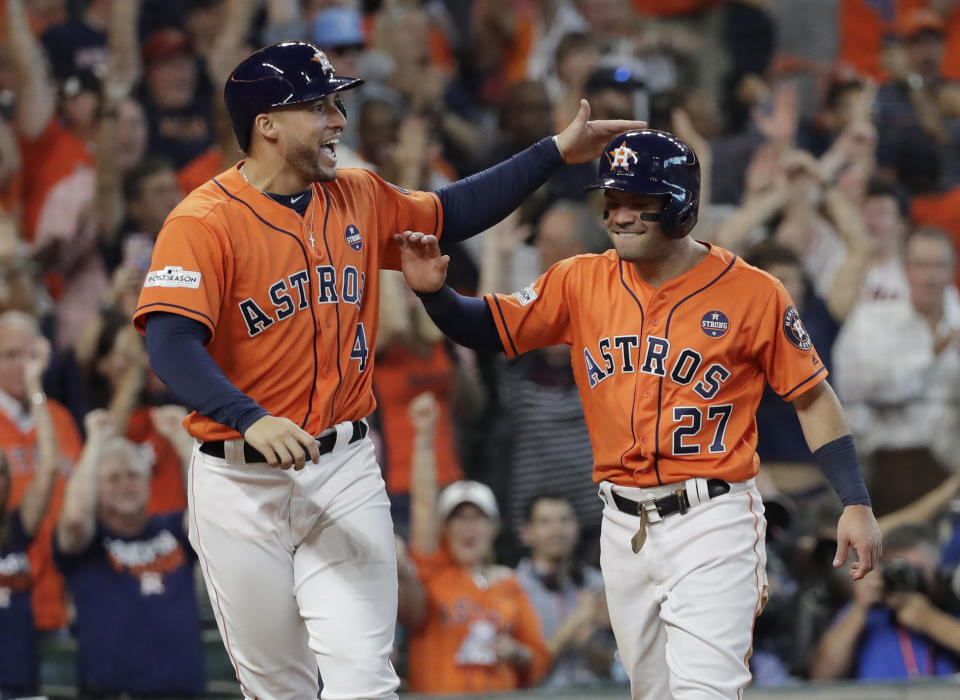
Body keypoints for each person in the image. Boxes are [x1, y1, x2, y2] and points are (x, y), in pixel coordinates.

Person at [132, 40, 644, 700]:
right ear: (267, 125)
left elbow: (451, 212)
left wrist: (552, 153)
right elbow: (171, 344)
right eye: (320, 107)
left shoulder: (357, 194)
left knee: (364, 678)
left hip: (343, 467)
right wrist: (250, 418)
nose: (340, 121)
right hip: (238, 478)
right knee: (278, 686)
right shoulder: (202, 221)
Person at [396, 128, 883, 699]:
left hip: (713, 518)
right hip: (623, 525)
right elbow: (492, 327)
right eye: (613, 201)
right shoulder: (581, 279)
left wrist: (854, 499)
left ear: (682, 208)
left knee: (705, 691)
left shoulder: (755, 293)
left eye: (639, 203)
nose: (620, 216)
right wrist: (436, 295)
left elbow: (811, 395)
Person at [403, 392, 551, 693]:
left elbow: (536, 661)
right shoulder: (434, 577)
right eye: (458, 518)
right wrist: (424, 436)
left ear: (494, 527)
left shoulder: (510, 584)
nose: (467, 528)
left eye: (477, 518)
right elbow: (423, 504)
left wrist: (517, 653)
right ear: (444, 529)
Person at [54, 408, 205, 698]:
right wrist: (95, 442)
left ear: (149, 482)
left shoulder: (174, 528)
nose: (125, 484)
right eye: (113, 478)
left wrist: (181, 439)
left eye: (133, 475)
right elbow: (73, 518)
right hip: (111, 693)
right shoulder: (88, 542)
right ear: (95, 487)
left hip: (184, 692)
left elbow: (212, 514)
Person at [810, 525, 960, 680]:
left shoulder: (948, 607)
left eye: (913, 570)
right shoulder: (866, 613)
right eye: (895, 570)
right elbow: (821, 677)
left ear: (935, 573)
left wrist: (929, 620)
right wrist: (859, 608)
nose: (904, 579)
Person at [0, 333, 57, 698]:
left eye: (1, 472)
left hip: (23, 682)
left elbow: (49, 465)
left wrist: (35, 386)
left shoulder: (18, 527)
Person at [515, 493, 616, 687]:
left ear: (577, 528)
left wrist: (588, 646)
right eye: (545, 522)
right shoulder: (512, 587)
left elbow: (621, 666)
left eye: (564, 520)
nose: (557, 530)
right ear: (526, 533)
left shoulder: (599, 584)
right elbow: (522, 669)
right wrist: (577, 620)